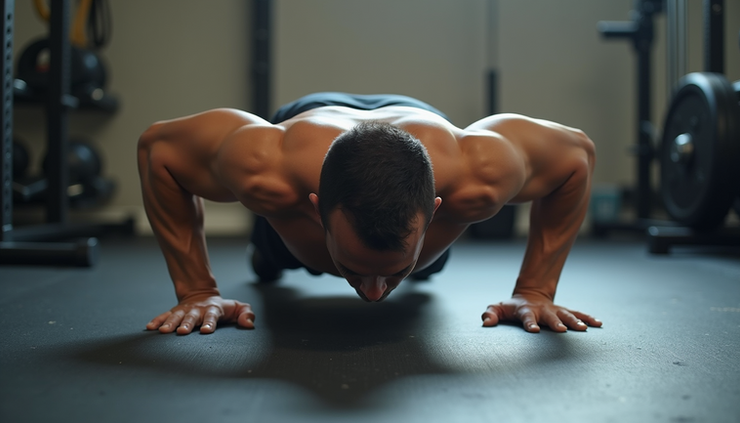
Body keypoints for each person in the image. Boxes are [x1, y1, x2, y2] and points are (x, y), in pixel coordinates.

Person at [138, 92, 603, 336]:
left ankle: (402, 264)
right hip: (308, 127)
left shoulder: (480, 175)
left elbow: (577, 155)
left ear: (435, 211)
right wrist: (197, 290)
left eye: (391, 274)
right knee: (273, 254)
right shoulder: (265, 170)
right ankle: (273, 254)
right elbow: (158, 147)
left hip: (421, 131)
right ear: (316, 210)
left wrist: (535, 290)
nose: (375, 296)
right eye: (355, 271)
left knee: (426, 269)